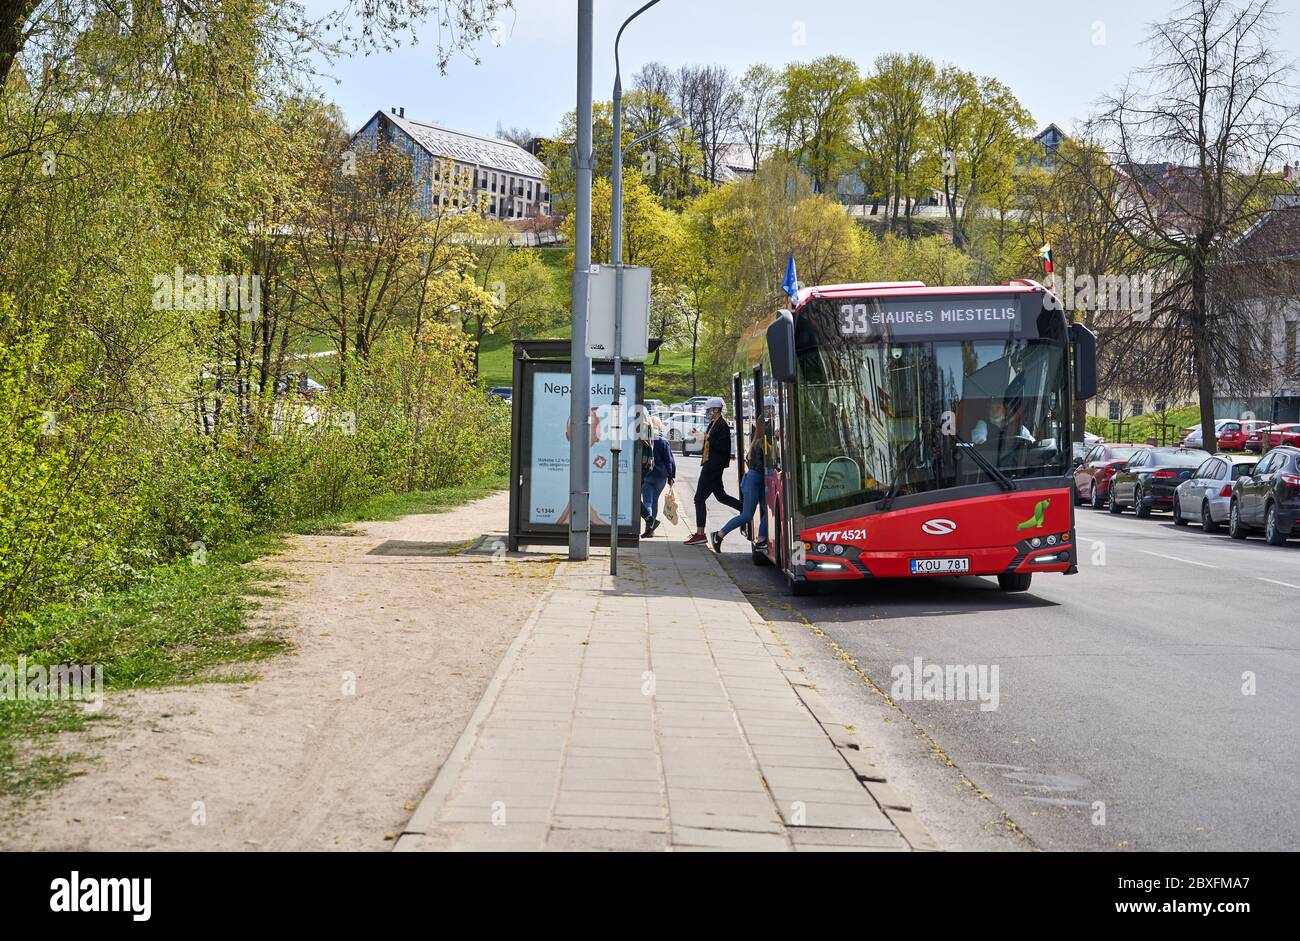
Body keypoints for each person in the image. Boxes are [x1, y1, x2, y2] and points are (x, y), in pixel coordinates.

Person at [684, 396, 742, 546]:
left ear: (716, 410)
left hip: (713, 466)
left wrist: (707, 437)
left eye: (709, 410)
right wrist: (701, 437)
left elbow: (722, 447)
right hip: (710, 464)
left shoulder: (722, 425)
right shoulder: (713, 423)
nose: (708, 412)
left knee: (699, 499)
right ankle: (745, 509)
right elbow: (709, 441)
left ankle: (700, 534)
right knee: (721, 496)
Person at [711, 418, 769, 553]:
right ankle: (719, 535)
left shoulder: (758, 442)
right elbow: (763, 466)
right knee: (747, 515)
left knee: (767, 510)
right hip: (753, 481)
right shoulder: (762, 443)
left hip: (756, 480)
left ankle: (761, 539)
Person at [640, 417, 676, 537]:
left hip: (647, 475)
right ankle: (651, 528)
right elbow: (670, 461)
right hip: (661, 477)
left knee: (647, 501)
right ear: (659, 426)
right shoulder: (663, 441)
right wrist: (671, 477)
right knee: (654, 501)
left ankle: (648, 527)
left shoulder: (645, 439)